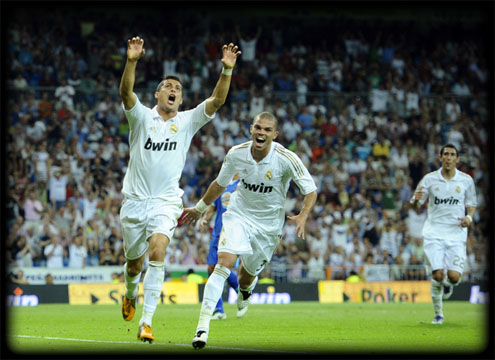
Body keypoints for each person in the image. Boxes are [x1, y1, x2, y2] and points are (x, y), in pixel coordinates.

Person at [118, 36, 241, 343]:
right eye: (168, 86)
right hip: (134, 202)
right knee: (134, 264)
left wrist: (226, 71)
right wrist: (132, 61)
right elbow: (125, 92)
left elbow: (217, 101)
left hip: (166, 201)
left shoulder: (186, 121)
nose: (173, 90)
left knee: (158, 249)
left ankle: (146, 322)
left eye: (178, 89)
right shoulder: (141, 116)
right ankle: (131, 293)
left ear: (181, 100)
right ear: (157, 93)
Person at [182, 111, 317, 349]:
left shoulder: (286, 158)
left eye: (266, 130)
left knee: (246, 276)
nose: (261, 133)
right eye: (258, 128)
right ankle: (202, 328)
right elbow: (219, 184)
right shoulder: (236, 154)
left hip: (268, 226)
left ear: (274, 134)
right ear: (251, 129)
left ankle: (246, 291)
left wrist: (303, 216)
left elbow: (310, 190)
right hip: (238, 215)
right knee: (223, 264)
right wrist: (201, 208)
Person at [410, 144, 476, 325]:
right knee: (437, 275)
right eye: (445, 154)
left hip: (456, 234)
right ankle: (438, 315)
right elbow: (416, 206)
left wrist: (469, 218)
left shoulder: (466, 180)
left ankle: (448, 286)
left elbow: (471, 203)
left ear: (457, 159)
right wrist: (416, 200)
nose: (448, 157)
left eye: (452, 154)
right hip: (433, 234)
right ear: (440, 158)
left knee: (454, 279)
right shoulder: (429, 179)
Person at [197, 174, 240, 320]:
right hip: (217, 233)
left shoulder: (244, 184)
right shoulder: (222, 184)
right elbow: (213, 207)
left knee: (223, 269)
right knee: (211, 268)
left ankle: (241, 292)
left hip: (232, 232)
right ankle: (219, 310)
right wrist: (205, 219)